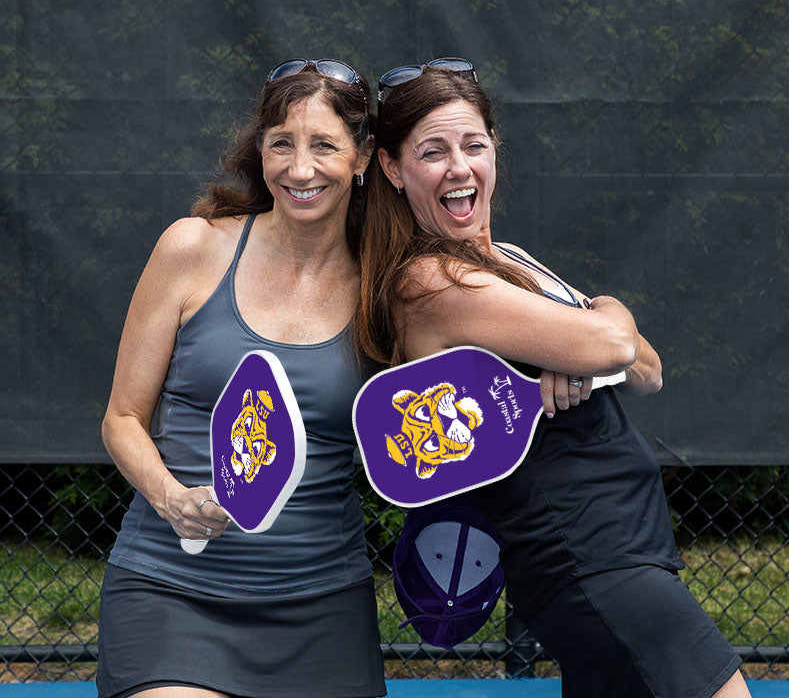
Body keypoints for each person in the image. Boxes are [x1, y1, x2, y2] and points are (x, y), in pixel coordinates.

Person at [357, 59, 751, 698]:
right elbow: (621, 343)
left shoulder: (504, 261)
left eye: (474, 146)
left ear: (494, 153)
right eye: (433, 152)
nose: (460, 167)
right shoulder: (429, 281)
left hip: (623, 547)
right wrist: (600, 321)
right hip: (592, 563)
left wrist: (590, 348)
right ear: (393, 168)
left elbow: (647, 371)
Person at [98, 59, 385, 698]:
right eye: (281, 143)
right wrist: (173, 499)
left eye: (324, 146)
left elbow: (488, 348)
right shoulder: (191, 248)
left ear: (363, 156)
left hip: (323, 606)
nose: (299, 168)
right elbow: (121, 420)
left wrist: (567, 364)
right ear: (259, 151)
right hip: (172, 594)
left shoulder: (388, 285)